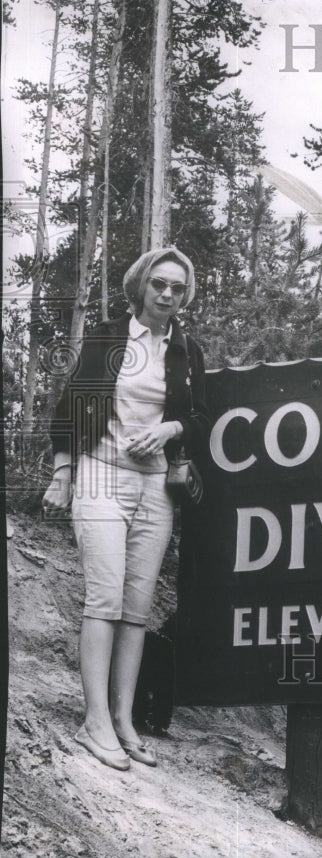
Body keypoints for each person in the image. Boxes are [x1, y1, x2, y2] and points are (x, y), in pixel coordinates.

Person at [43, 247, 210, 771]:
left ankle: (122, 719)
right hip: (100, 475)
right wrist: (62, 474)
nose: (167, 294)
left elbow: (202, 418)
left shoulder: (187, 350)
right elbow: (70, 408)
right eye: (159, 284)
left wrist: (171, 428)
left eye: (177, 287)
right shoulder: (109, 337)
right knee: (105, 598)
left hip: (157, 486)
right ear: (140, 286)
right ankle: (94, 722)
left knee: (136, 610)